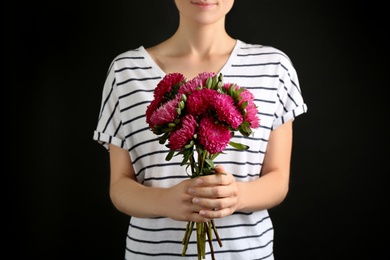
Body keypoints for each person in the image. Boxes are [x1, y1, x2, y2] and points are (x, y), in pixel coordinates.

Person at [93, 0, 308, 259]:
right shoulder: (125, 71)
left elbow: (278, 179)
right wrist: (164, 201)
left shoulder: (274, 67)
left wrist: (236, 196)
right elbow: (119, 186)